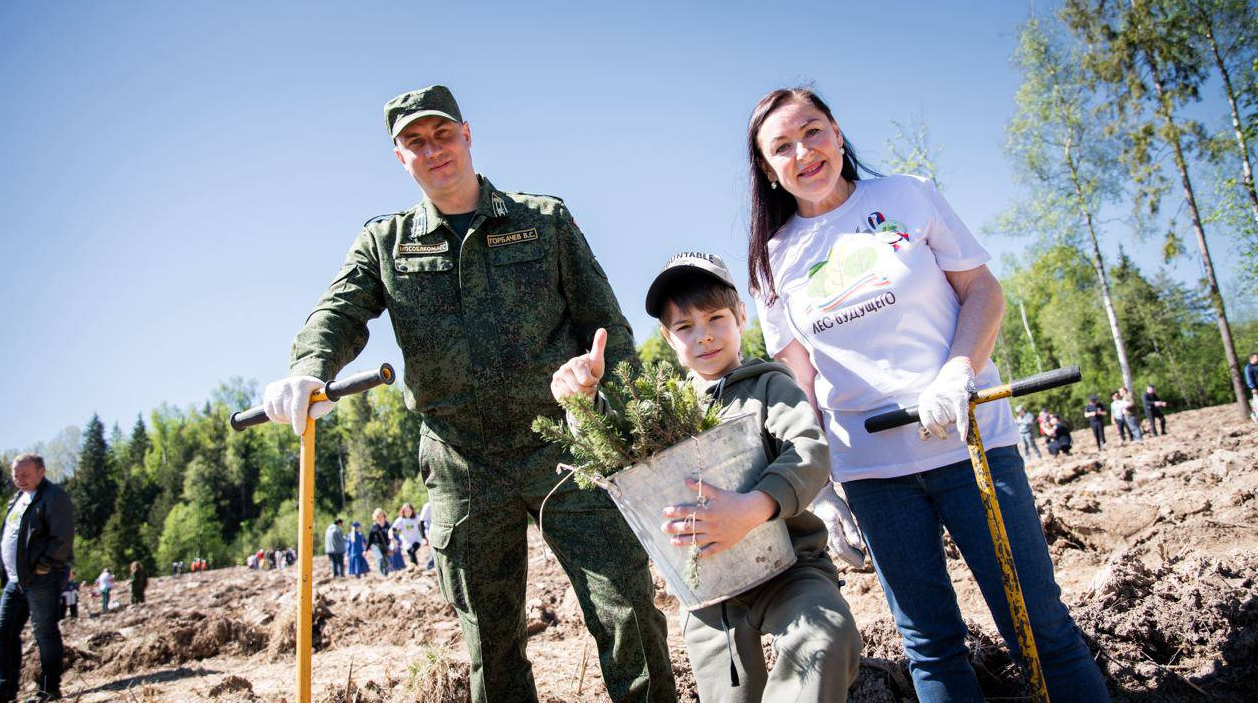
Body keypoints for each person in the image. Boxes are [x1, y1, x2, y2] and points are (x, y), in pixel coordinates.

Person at [259, 84, 673, 702]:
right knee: (491, 640)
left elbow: (606, 326)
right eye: (415, 142)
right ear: (400, 157)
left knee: (626, 609)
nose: (433, 150)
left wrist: (644, 434)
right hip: (462, 464)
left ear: (467, 134)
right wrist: (309, 367)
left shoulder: (544, 222)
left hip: (563, 446)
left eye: (442, 134)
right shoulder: (385, 243)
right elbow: (336, 315)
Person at [744, 88, 1108, 701]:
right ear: (767, 169)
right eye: (782, 147)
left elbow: (983, 292)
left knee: (1041, 631)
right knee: (932, 647)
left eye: (812, 132)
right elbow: (798, 379)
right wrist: (819, 488)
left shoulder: (905, 195)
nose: (803, 153)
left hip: (971, 445)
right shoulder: (772, 261)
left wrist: (957, 370)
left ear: (836, 131)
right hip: (873, 472)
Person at [555, 252, 863, 701]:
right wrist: (584, 402)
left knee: (828, 638)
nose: (704, 336)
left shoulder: (770, 386)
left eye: (716, 317)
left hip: (791, 567)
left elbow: (810, 451)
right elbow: (616, 452)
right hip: (707, 592)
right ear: (668, 338)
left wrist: (752, 508)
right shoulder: (662, 411)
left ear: (741, 315)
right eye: (685, 327)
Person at [0, 454, 74, 703]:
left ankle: (49, 690)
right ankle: (5, 690)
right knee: (4, 632)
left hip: (40, 578)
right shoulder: (19, 498)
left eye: (25, 475)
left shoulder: (53, 497)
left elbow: (63, 538)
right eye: (15, 475)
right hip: (16, 581)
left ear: (41, 472)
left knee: (45, 632)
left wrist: (45, 565)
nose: (19, 480)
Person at [367, 509, 393, 577]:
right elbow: (370, 539)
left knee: (386, 560)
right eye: (378, 516)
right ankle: (381, 575)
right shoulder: (374, 527)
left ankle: (386, 574)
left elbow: (392, 535)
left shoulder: (388, 525)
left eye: (382, 516)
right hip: (376, 545)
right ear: (376, 517)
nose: (380, 518)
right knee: (380, 558)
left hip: (386, 545)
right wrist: (366, 550)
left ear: (384, 516)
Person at [419, 501, 435, 570]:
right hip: (431, 533)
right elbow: (421, 522)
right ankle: (429, 569)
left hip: (440, 533)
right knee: (434, 553)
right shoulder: (428, 506)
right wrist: (423, 537)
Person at [1245, 352, 1258, 421]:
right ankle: (1255, 416)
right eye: (1256, 357)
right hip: (1256, 389)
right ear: (1252, 358)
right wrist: (1253, 388)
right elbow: (1249, 378)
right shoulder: (1248, 367)